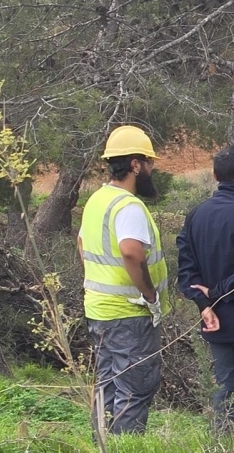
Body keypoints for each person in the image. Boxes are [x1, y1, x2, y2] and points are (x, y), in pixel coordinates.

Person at [79, 125, 171, 436]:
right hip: (129, 314)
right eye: (149, 163)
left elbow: (81, 244)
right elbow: (131, 252)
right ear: (135, 165)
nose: (151, 169)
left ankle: (101, 443)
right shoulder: (129, 206)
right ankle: (126, 445)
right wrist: (149, 295)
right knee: (135, 388)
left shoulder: (98, 200)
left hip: (99, 311)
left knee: (106, 385)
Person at [177, 146, 234, 427]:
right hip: (218, 310)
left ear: (214, 175)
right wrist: (213, 294)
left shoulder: (195, 215)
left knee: (225, 387)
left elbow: (186, 269)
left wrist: (204, 305)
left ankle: (220, 440)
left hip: (216, 320)